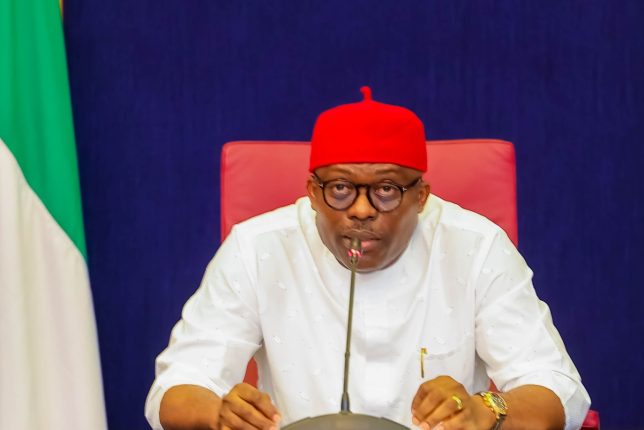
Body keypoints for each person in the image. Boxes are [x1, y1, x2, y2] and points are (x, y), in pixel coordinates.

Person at [146, 87, 590, 430]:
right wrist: (217, 414)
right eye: (340, 188)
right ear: (312, 193)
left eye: (386, 190)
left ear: (421, 197)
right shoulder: (257, 246)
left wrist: (487, 409)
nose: (361, 210)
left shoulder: (476, 246)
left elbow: (560, 392)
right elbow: (175, 387)